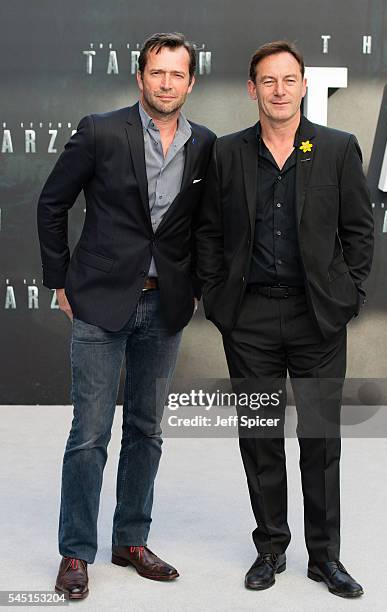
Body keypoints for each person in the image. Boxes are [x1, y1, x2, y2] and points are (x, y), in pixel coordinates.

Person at [37, 31, 215, 600]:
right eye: (157, 73)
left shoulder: (204, 144)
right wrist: (60, 280)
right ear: (140, 77)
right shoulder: (100, 130)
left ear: (191, 81)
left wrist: (194, 288)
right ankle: (75, 552)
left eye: (177, 74)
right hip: (100, 300)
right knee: (89, 434)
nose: (167, 83)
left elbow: (203, 227)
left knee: (147, 430)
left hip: (164, 307)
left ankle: (131, 540)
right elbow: (52, 203)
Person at [196, 40, 373, 598]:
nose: (278, 90)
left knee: (320, 439)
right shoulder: (226, 153)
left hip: (317, 317)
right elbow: (207, 233)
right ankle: (270, 548)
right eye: (267, 81)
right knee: (260, 435)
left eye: (288, 80)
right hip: (247, 320)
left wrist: (348, 296)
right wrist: (217, 300)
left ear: (303, 85)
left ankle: (324, 558)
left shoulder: (338, 148)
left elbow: (360, 234)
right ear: (253, 89)